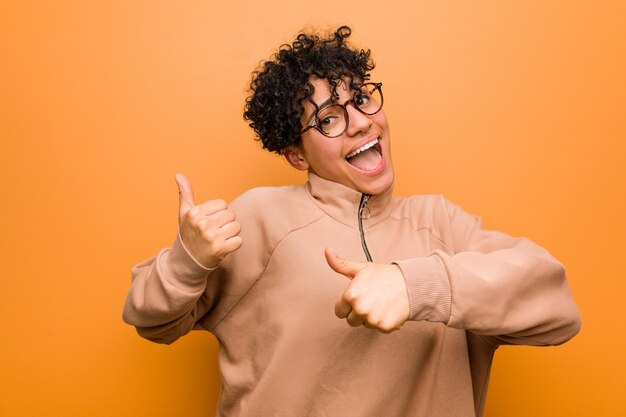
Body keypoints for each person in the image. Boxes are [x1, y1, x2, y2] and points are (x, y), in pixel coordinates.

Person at [123, 26, 581, 417]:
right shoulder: (260, 217)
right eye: (328, 120)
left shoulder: (440, 222)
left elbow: (558, 311)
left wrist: (417, 286)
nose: (361, 122)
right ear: (296, 155)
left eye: (362, 98)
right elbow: (150, 321)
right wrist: (188, 261)